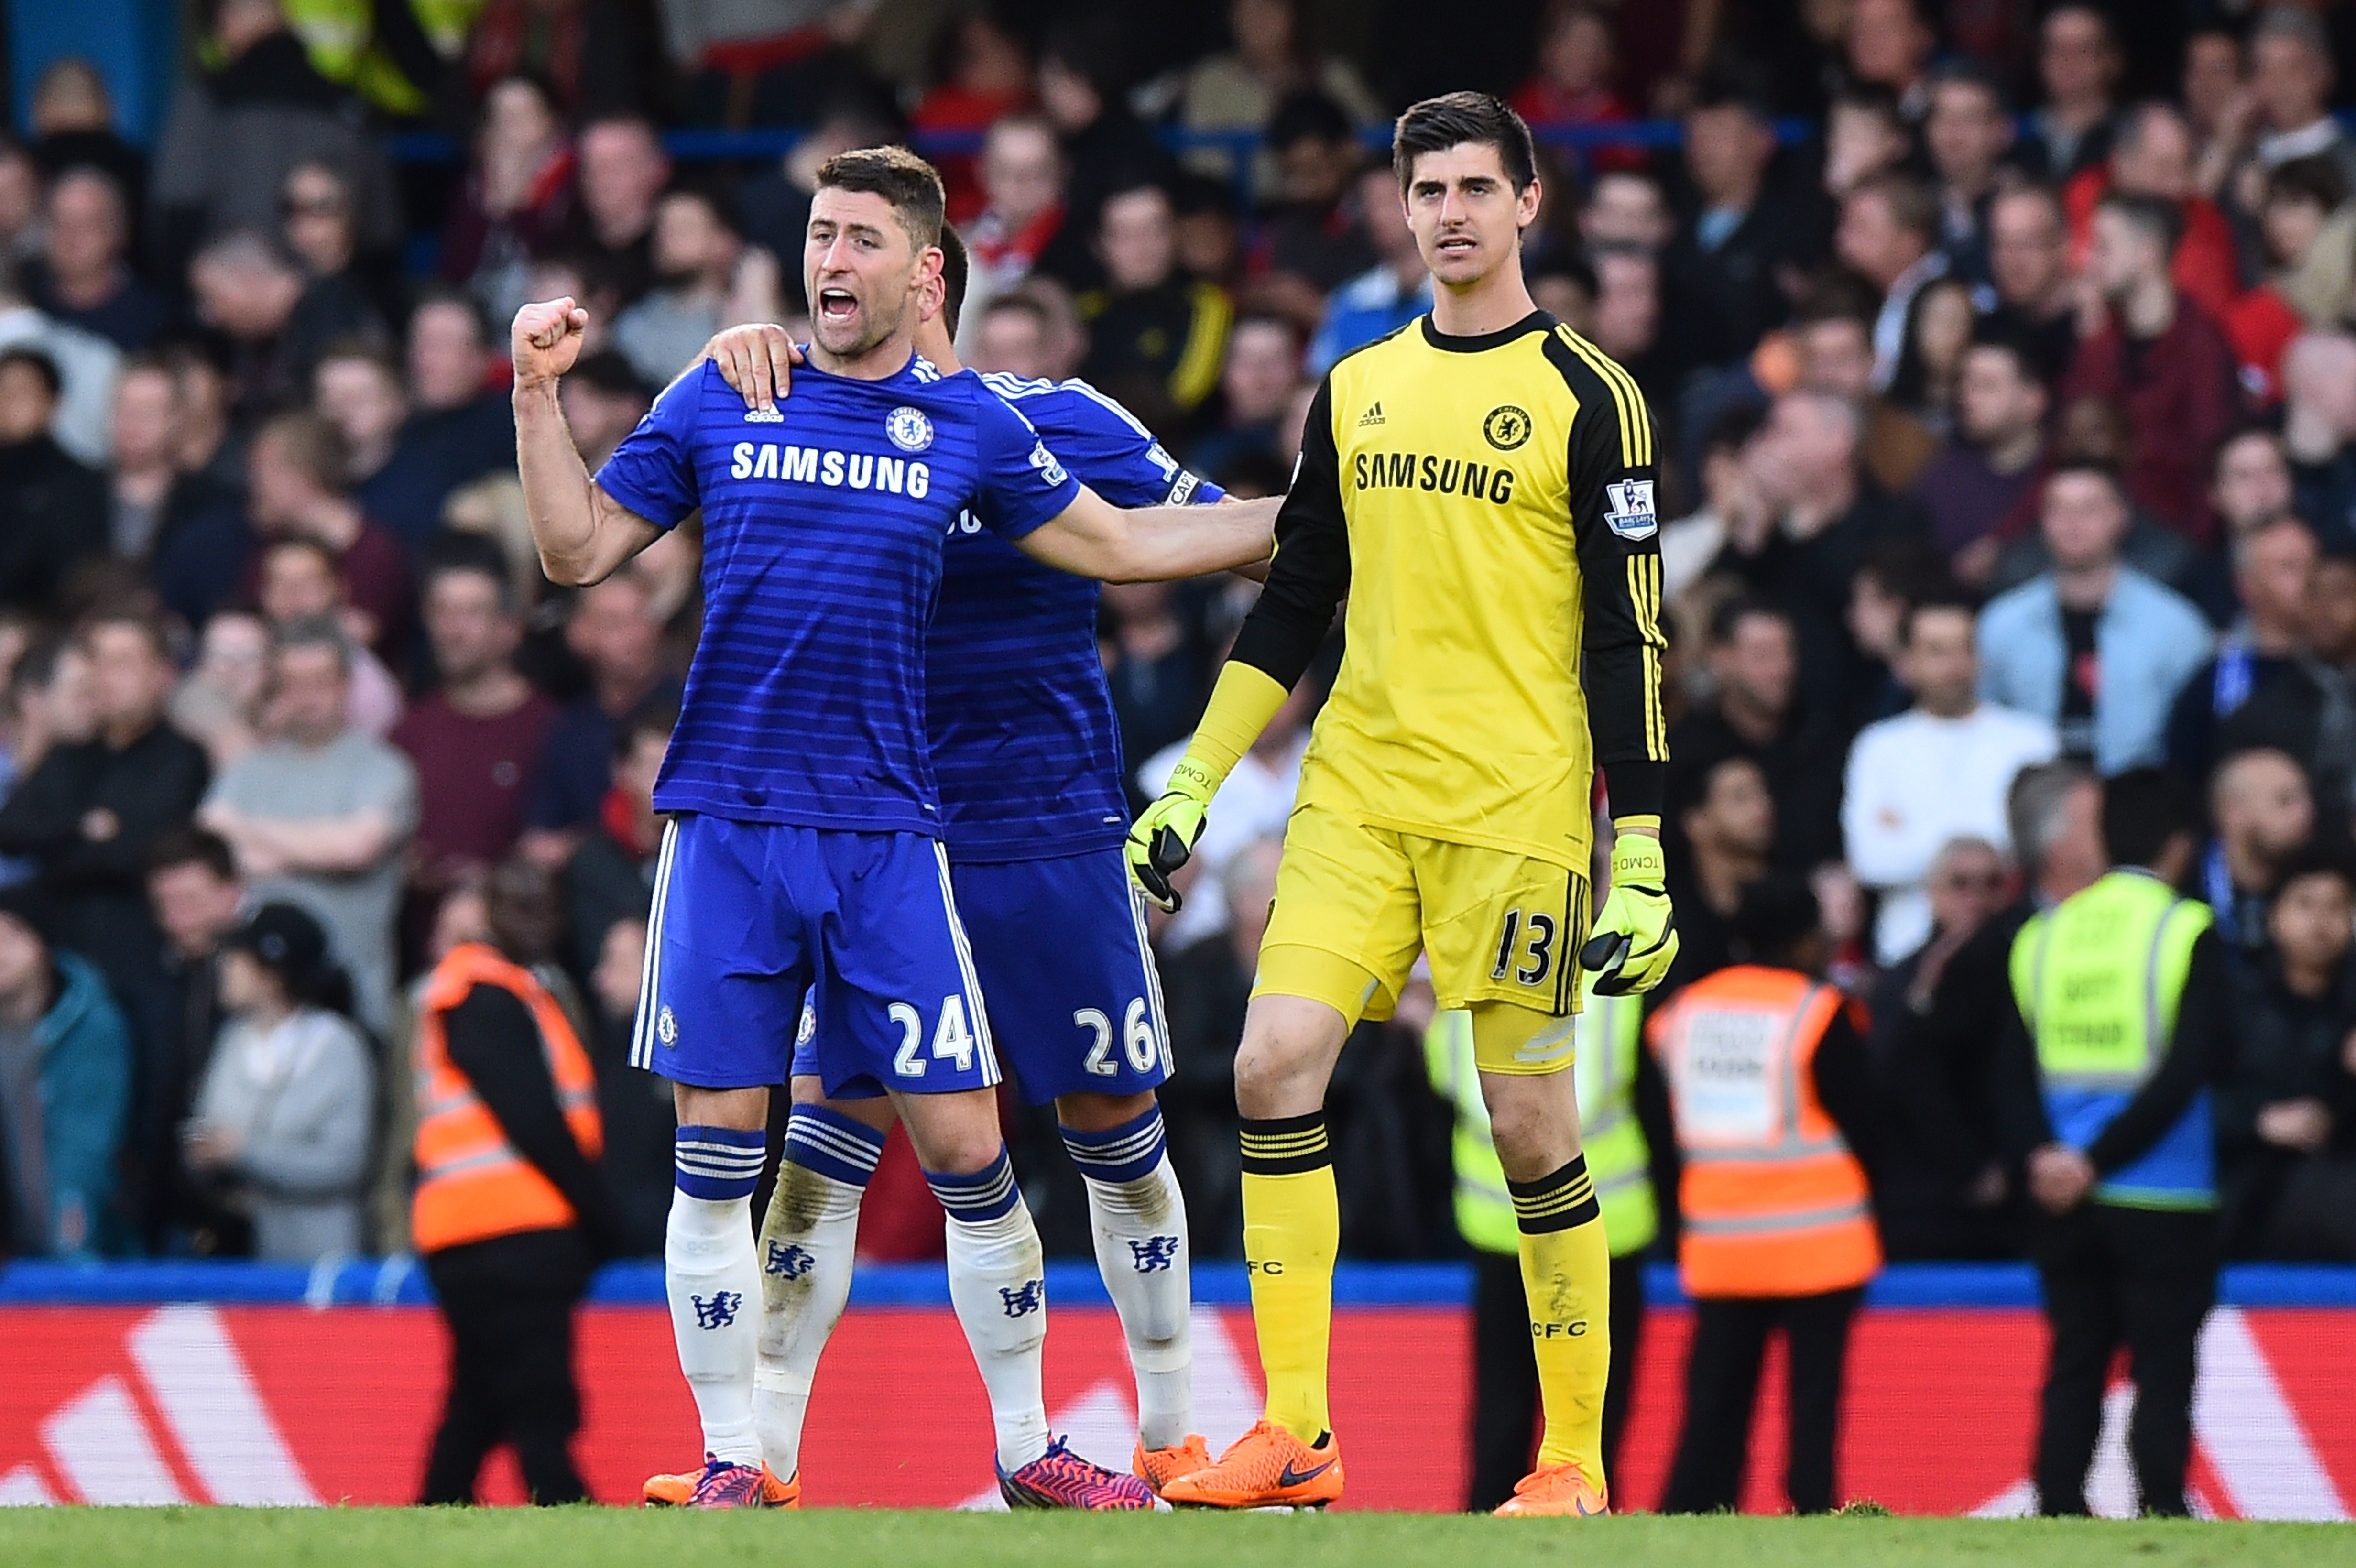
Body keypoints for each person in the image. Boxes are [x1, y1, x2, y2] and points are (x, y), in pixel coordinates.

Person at [509, 144, 1277, 1509]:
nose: (829, 265)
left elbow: (1143, 543)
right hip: (784, 822)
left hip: (994, 831)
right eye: (818, 238)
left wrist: (1356, 508)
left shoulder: (1016, 425)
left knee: (1062, 1132)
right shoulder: (736, 384)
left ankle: (1149, 1434)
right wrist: (534, 387)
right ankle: (752, 1461)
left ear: (930, 276)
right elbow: (573, 555)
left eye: (860, 241)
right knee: (796, 1148)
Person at [1127, 93, 1672, 1516]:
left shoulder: (1589, 396)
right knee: (1267, 1067)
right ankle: (1299, 1431)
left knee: (1528, 1125)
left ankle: (1569, 1460)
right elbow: (1296, 598)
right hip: (1357, 792)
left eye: (1474, 188)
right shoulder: (1355, 384)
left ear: (1527, 202)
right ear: (1401, 207)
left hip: (1517, 811)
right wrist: (1191, 780)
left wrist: (1649, 846)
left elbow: (1629, 632)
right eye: (1426, 189)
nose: (1449, 213)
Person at [1994, 768, 2227, 1518]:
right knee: (2163, 1365)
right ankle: (2160, 1501)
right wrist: (2102, 1160)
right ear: (2181, 845)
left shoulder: (2043, 932)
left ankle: (2058, 1502)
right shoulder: (2184, 927)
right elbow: (2189, 1069)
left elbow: (2008, 1072)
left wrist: (2051, 1159)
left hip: (2063, 1192)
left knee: (2075, 1361)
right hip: (2164, 1188)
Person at [1651, 878, 1880, 1515]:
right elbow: (1866, 1122)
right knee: (1813, 1407)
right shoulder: (1818, 1009)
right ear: (1807, 941)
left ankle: (1693, 1513)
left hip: (1723, 1245)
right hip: (1821, 1245)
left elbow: (1662, 1132)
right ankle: (1811, 1515)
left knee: (1714, 1406)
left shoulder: (1680, 1016)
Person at [1428, 951, 1665, 1510]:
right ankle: (1592, 1521)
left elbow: (1444, 1078)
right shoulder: (1618, 984)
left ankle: (1488, 1527)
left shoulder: (1473, 974)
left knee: (1501, 1410)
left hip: (1498, 1224)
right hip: (1606, 1224)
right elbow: (1641, 1096)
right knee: (1596, 1414)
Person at [414, 860, 617, 1505]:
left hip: (479, 1233)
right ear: (487, 915)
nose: (535, 921)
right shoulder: (484, 994)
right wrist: (599, 1214)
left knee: (479, 1402)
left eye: (544, 907)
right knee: (538, 1406)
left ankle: (432, 1517)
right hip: (507, 1233)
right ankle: (569, 1511)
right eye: (518, 906)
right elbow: (532, 1117)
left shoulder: (499, 990)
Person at [200, 618, 420, 1035]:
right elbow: (212, 839)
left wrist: (259, 844)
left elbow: (357, 847)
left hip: (353, 997)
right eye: (293, 683)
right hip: (253, 1004)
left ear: (346, 684)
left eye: (320, 682)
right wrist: (314, 848)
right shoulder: (249, 768)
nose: (306, 697)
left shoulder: (384, 768)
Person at [0, 612, 211, 990]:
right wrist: (83, 826)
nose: (105, 677)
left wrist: (60, 846)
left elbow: (133, 853)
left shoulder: (181, 757)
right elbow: (11, 830)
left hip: (133, 930)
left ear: (162, 675)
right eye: (96, 661)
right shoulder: (72, 751)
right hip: (54, 923)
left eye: (123, 663)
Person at [1843, 597, 2060, 965]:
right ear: (1906, 663)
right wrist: (1990, 841)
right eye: (1937, 652)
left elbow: (2045, 847)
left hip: (2018, 947)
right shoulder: (1878, 747)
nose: (1954, 666)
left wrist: (1915, 837)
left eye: (1964, 649)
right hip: (1906, 952)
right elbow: (1871, 859)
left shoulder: (2031, 740)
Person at [1976, 461, 2213, 773]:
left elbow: (2197, 737)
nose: (2073, 523)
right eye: (2059, 510)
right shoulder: (2001, 625)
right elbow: (1983, 728)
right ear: (2043, 521)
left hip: (2140, 801)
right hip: (2032, 801)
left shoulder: (2177, 627)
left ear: (2121, 516)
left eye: (2089, 509)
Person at [182, 901, 372, 1263]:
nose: (226, 968)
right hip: (241, 1251)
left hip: (317, 1257)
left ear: (274, 976)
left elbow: (345, 1163)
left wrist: (245, 1152)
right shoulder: (235, 1040)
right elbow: (208, 1123)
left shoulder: (337, 1046)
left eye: (239, 960)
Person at [2060, 193, 2239, 544]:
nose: (2088, 260)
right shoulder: (2102, 338)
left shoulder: (2202, 347)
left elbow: (2209, 464)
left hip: (2171, 533)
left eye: (2104, 246)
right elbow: (2071, 440)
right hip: (2088, 524)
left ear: (2148, 253)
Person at [391, 555, 559, 909]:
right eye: (442, 612)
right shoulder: (410, 730)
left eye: (471, 613)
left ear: (509, 629)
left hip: (513, 935)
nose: (452, 629)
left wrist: (495, 878)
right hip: (424, 940)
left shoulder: (549, 729)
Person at [2219, 851, 2356, 1259]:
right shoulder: (2237, 1005)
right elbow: (2196, 1101)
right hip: (2251, 1199)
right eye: (2305, 905)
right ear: (2273, 917)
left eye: (2337, 907)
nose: (2321, 922)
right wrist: (2260, 1122)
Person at [0, 886, 130, 1257]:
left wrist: (71, 1254)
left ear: (42, 945)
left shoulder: (90, 1027)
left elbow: (85, 1152)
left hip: (84, 1254)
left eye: (10, 936)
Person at [139, 828, 247, 1255]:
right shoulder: (152, 980)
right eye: (164, 906)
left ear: (233, 892)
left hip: (250, 1202)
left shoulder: (278, 976)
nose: (177, 920)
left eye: (192, 902)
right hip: (170, 1203)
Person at [1077, 183, 1233, 437]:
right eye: (1126, 234)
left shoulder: (1206, 303)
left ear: (1176, 235)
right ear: (1100, 245)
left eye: (1155, 231)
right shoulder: (1084, 311)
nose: (1142, 246)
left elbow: (1185, 396)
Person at [1912, 325, 2051, 582]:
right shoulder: (1941, 477)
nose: (1968, 396)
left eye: (1987, 386)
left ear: (2033, 399)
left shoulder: (2062, 477)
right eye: (1965, 383)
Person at [0, 347, 107, 610]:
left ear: (52, 402)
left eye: (20, 392)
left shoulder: (80, 483)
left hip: (41, 621)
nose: (7, 402)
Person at [2200, 748, 2315, 961]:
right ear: (2233, 812)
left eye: (2307, 799)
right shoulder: (2184, 884)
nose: (2305, 814)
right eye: (2285, 800)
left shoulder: (2321, 885)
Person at [2015, 4, 2120, 185]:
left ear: (2111, 60)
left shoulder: (2130, 136)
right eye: (2056, 49)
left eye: (2083, 50)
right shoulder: (2012, 137)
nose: (2067, 61)